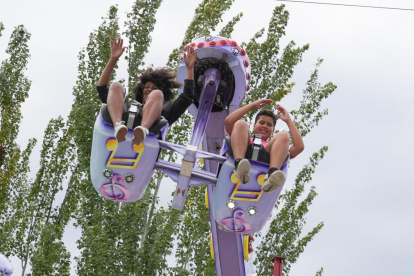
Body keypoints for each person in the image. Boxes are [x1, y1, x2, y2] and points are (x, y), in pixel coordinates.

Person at [96, 37, 197, 144]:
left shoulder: (165, 113)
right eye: (147, 87)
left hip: (145, 147)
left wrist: (190, 68)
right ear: (141, 89)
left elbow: (187, 97)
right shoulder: (129, 111)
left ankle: (142, 130)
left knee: (157, 95)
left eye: (154, 88)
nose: (149, 90)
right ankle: (118, 127)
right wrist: (113, 59)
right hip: (115, 136)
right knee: (116, 86)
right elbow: (101, 88)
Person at [224, 99, 304, 193]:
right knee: (241, 123)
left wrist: (288, 120)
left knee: (284, 135)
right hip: (243, 152)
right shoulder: (243, 138)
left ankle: (272, 175)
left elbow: (299, 147)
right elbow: (228, 122)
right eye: (261, 123)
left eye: (269, 125)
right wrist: (253, 105)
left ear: (273, 130)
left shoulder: (275, 147)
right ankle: (239, 165)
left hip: (267, 161)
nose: (265, 126)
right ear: (254, 126)